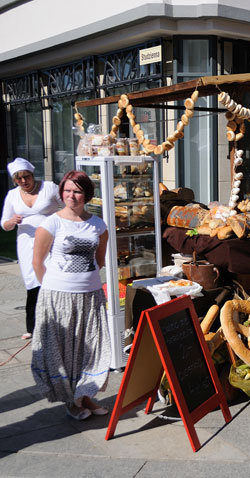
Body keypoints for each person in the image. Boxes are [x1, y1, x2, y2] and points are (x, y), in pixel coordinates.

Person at [31, 170, 111, 421]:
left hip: (90, 296)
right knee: (64, 351)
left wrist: (83, 282)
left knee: (92, 349)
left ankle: (86, 394)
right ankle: (70, 400)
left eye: (77, 191)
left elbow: (99, 261)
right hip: (58, 298)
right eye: (67, 190)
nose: (71, 196)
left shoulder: (98, 224)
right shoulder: (51, 223)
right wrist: (56, 288)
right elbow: (37, 262)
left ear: (86, 194)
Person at [1, 158, 62, 340]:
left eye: (26, 177)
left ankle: (57, 322)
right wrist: (11, 222)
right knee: (32, 280)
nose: (23, 182)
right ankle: (33, 326)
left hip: (51, 240)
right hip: (27, 243)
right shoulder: (12, 195)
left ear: (32, 175)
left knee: (52, 278)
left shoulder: (49, 187)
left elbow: (67, 205)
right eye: (18, 179)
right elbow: (4, 223)